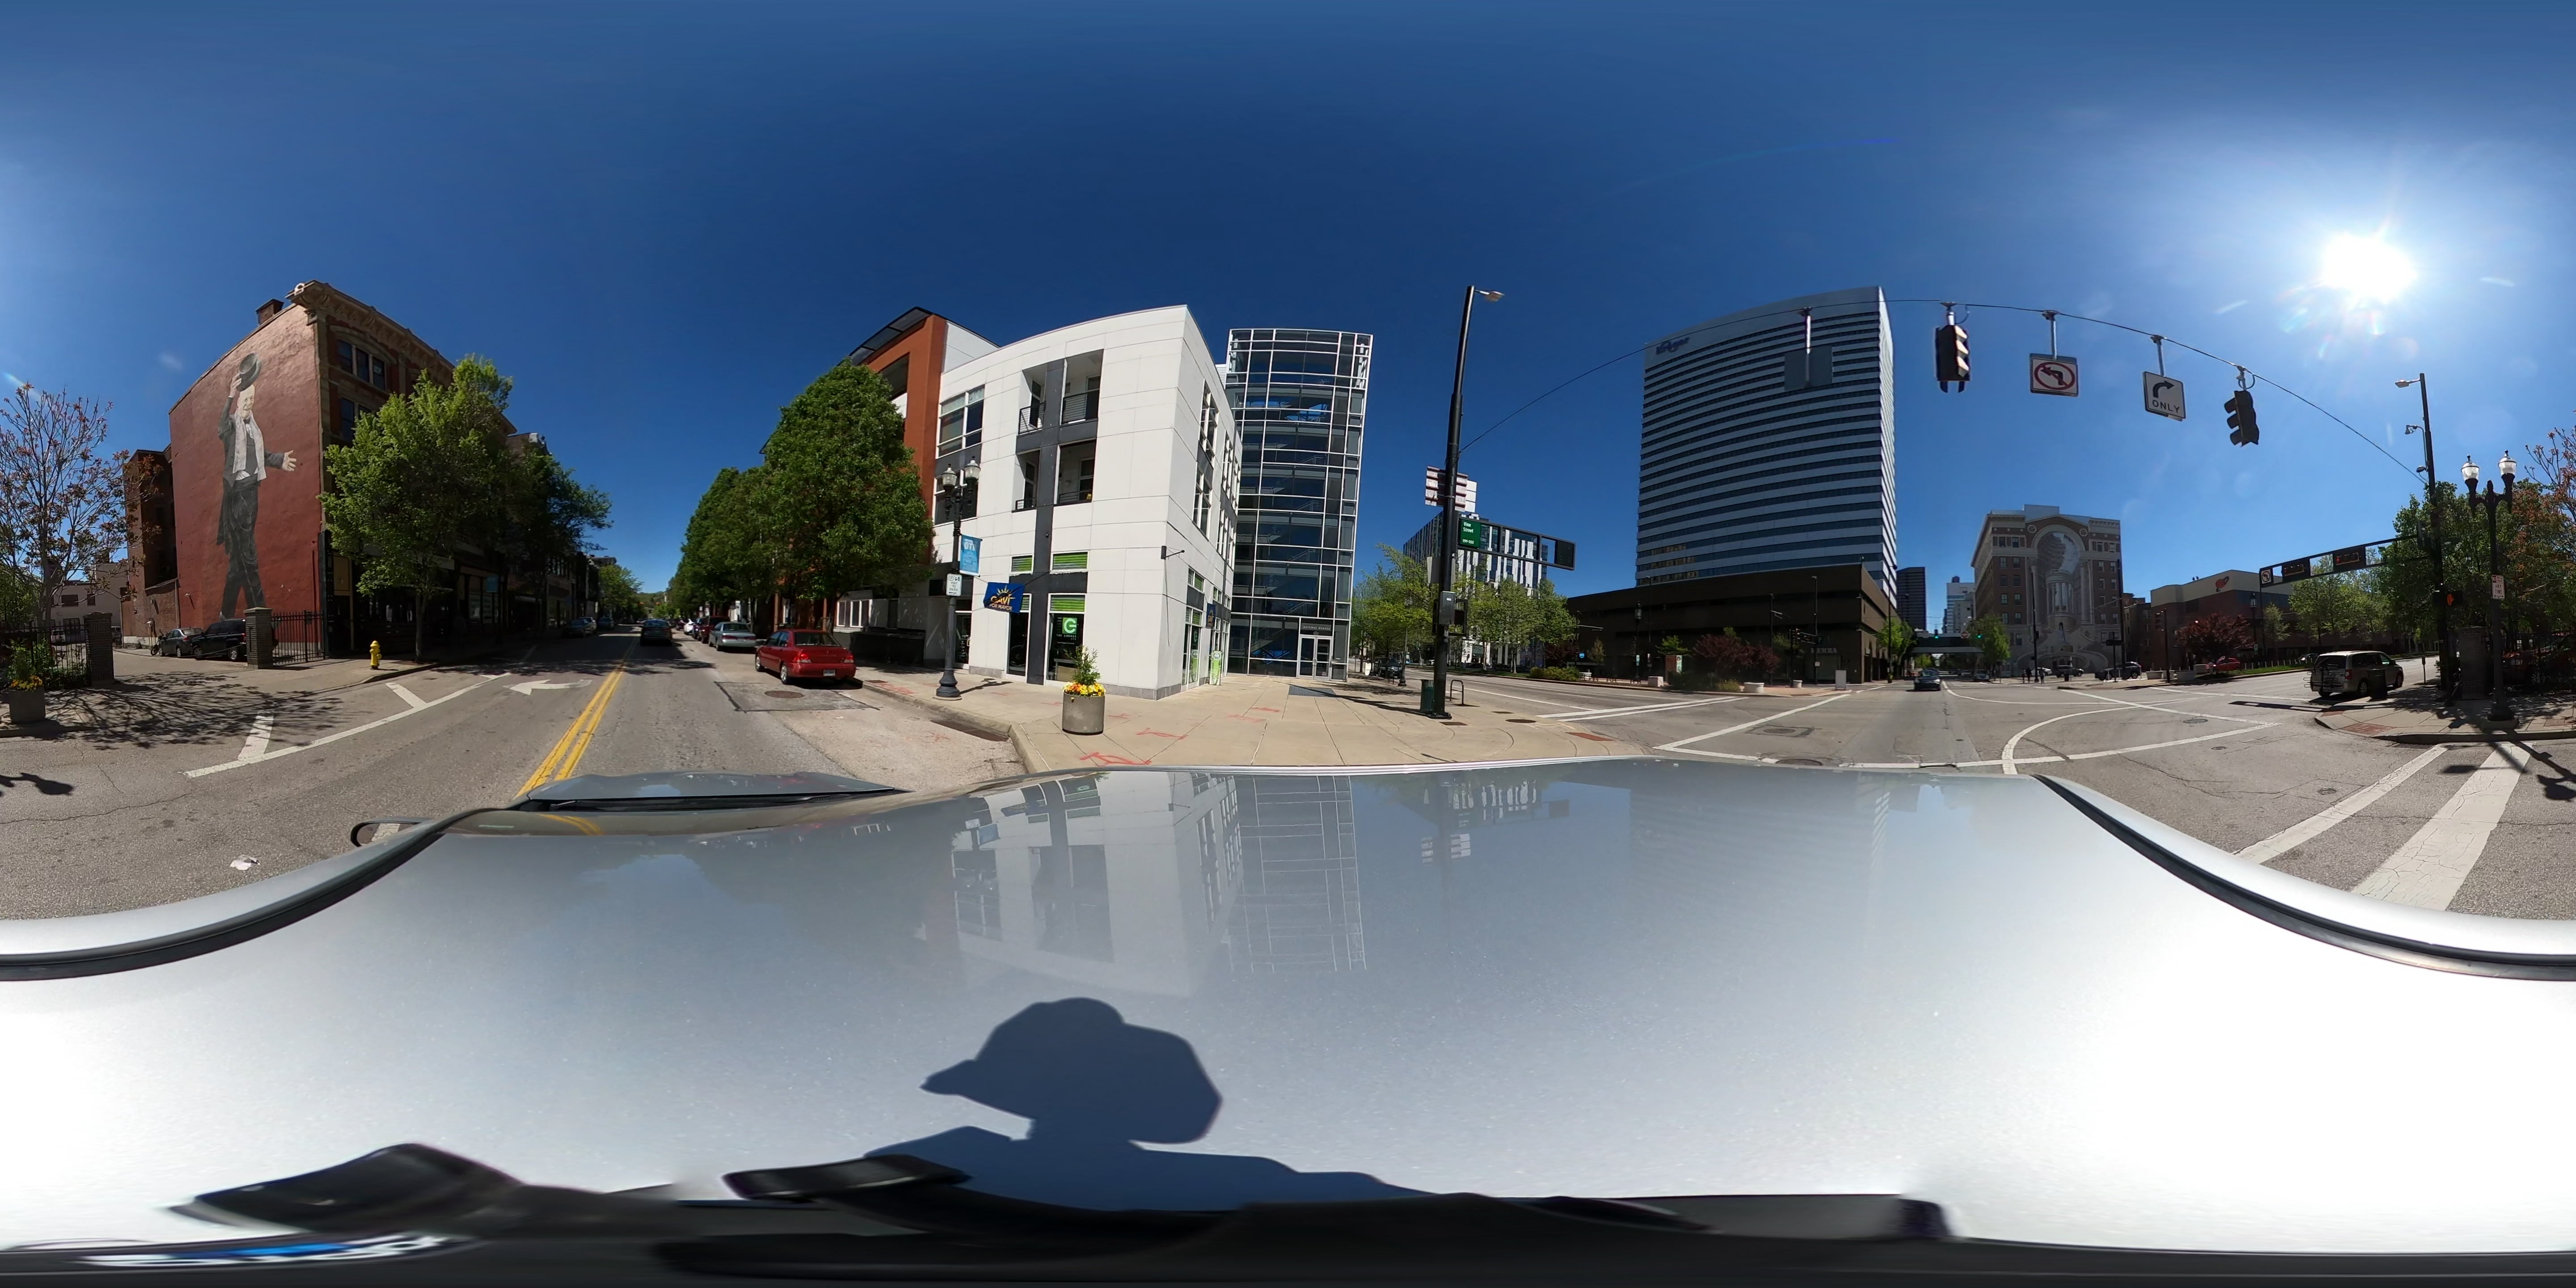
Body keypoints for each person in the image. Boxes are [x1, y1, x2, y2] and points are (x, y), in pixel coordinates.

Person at [215, 353, 296, 617]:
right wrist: (230, 396)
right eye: (245, 399)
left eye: (252, 399)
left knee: (238, 562)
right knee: (249, 555)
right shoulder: (232, 427)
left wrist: (280, 460)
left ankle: (226, 616)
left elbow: (261, 455)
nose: (249, 403)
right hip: (237, 496)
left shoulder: (253, 429)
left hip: (252, 494)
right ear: (239, 403)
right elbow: (220, 428)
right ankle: (260, 612)